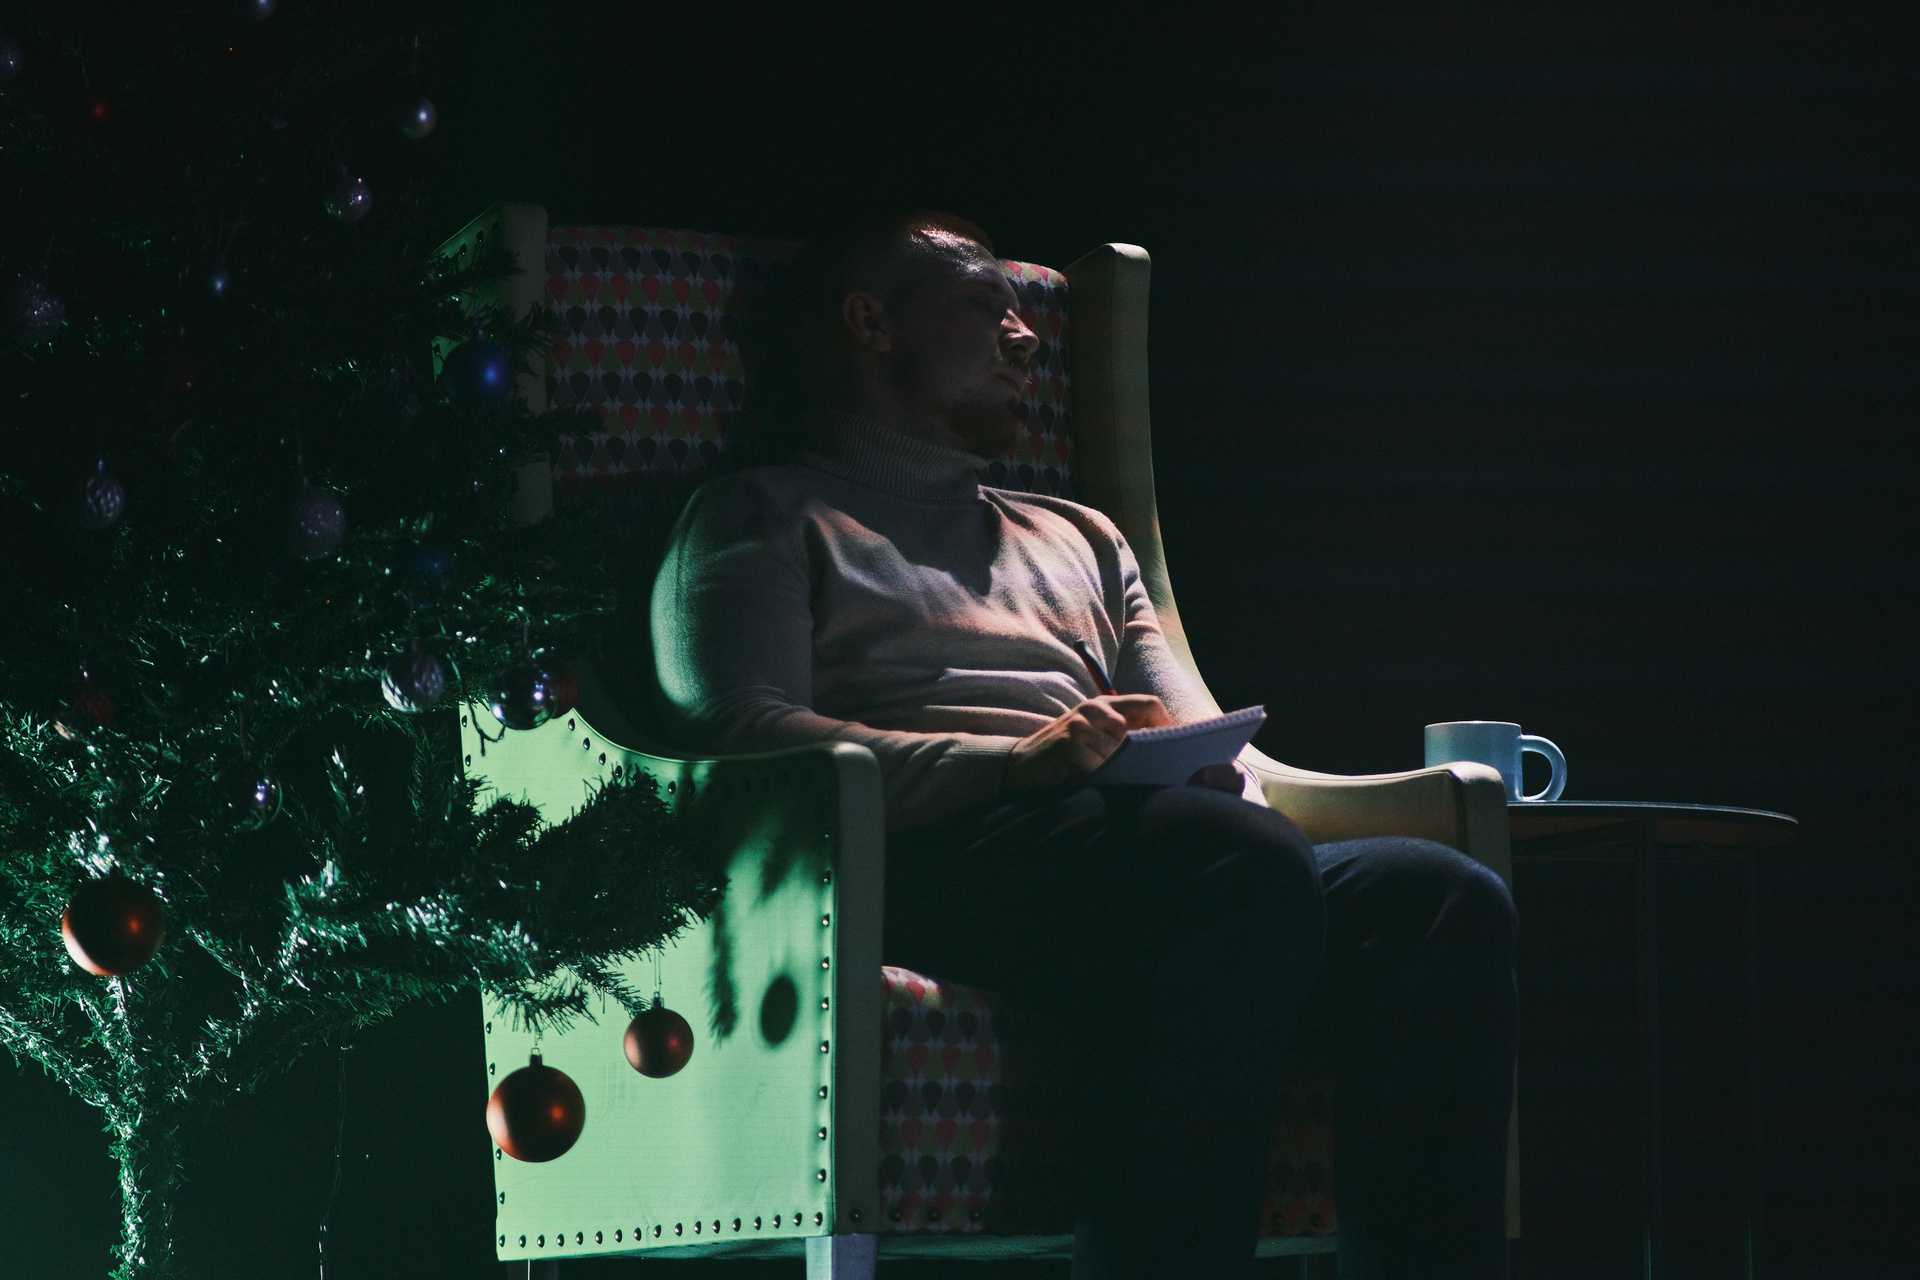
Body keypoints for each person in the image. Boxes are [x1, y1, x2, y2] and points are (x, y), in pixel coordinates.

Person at [650, 211, 1517, 1280]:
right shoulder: (760, 514)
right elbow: (742, 733)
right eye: (987, 306)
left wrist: (1215, 771)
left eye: (1026, 315)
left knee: (1437, 898)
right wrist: (1015, 763)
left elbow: (1197, 731)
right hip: (906, 856)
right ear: (870, 323)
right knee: (1229, 864)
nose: (1026, 338)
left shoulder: (1082, 535)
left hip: (1132, 852)